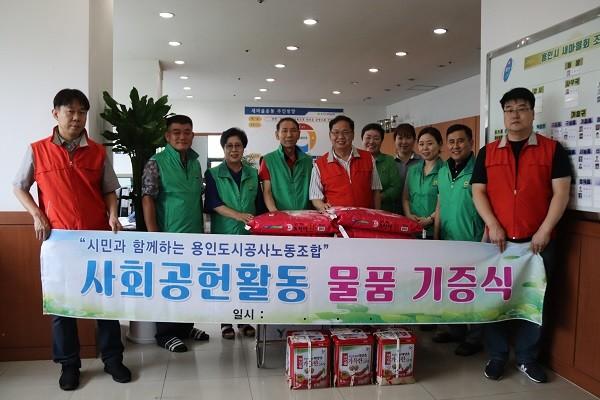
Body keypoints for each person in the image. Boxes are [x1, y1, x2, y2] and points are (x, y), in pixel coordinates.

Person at [12, 89, 131, 390]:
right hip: (59, 239)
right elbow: (19, 186)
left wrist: (112, 214)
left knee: (105, 301)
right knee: (62, 304)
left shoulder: (98, 152)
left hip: (96, 237)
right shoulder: (38, 150)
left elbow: (109, 190)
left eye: (82, 112)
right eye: (70, 111)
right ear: (56, 113)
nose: (77, 118)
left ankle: (113, 359)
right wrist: (37, 215)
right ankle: (69, 365)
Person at [472, 87, 572, 383]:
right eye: (509, 109)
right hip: (498, 242)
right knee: (495, 297)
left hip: (538, 244)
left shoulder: (552, 150)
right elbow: (478, 191)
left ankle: (528, 358)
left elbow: (561, 193)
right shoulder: (488, 152)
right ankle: (497, 355)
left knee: (533, 300)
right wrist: (493, 224)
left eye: (521, 108)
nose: (515, 114)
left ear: (531, 112)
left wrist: (544, 230)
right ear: (503, 115)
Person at [142, 114, 210, 353]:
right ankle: (165, 333)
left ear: (192, 135)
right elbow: (148, 198)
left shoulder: (195, 162)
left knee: (189, 283)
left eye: (187, 132)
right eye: (177, 132)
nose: (182, 136)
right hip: (168, 236)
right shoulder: (156, 162)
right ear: (167, 136)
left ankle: (185, 327)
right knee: (169, 284)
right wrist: (154, 234)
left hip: (194, 236)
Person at [204, 127, 266, 339]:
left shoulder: (253, 174)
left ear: (243, 148)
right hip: (224, 235)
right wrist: (238, 215)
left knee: (245, 279)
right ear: (223, 148)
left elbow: (259, 206)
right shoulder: (213, 174)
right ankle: (225, 322)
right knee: (225, 280)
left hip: (249, 237)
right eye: (229, 146)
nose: (233, 149)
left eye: (238, 145)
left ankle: (244, 320)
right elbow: (213, 203)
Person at [432, 124, 485, 356]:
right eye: (451, 141)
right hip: (447, 241)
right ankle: (455, 330)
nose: (455, 146)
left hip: (472, 240)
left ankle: (474, 338)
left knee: (473, 291)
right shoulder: (443, 170)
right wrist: (436, 235)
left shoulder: (480, 170)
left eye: (460, 141)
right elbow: (440, 204)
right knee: (450, 288)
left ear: (471, 142)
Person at [310, 115, 382, 211]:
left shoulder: (368, 158)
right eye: (336, 132)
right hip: (336, 218)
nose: (340, 137)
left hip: (365, 217)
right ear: (330, 135)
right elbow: (315, 196)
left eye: (345, 132)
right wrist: (322, 206)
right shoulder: (320, 164)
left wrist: (377, 213)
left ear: (353, 135)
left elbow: (376, 190)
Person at [259, 117, 312, 211]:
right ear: (277, 135)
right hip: (280, 216)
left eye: (293, 131)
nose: (289, 135)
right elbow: (267, 192)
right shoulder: (268, 160)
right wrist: (275, 213)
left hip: (305, 215)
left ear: (299, 134)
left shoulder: (308, 161)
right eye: (284, 131)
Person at [402, 127, 444, 238]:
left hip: (436, 230)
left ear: (440, 144)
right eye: (421, 144)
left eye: (430, 144)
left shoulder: (445, 170)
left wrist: (430, 219)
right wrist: (409, 215)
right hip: (412, 228)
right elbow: (405, 198)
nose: (425, 148)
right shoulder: (412, 170)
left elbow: (446, 202)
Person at [361, 123, 402, 213]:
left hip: (385, 211)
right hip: (361, 210)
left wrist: (378, 197)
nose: (371, 141)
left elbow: (396, 187)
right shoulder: (355, 161)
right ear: (362, 139)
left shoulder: (389, 160)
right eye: (368, 138)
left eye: (376, 138)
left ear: (381, 141)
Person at [394, 123, 421, 208]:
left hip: (416, 209)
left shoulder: (422, 162)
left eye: (408, 137)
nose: (404, 142)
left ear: (414, 140)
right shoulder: (390, 163)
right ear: (395, 140)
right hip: (394, 210)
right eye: (400, 138)